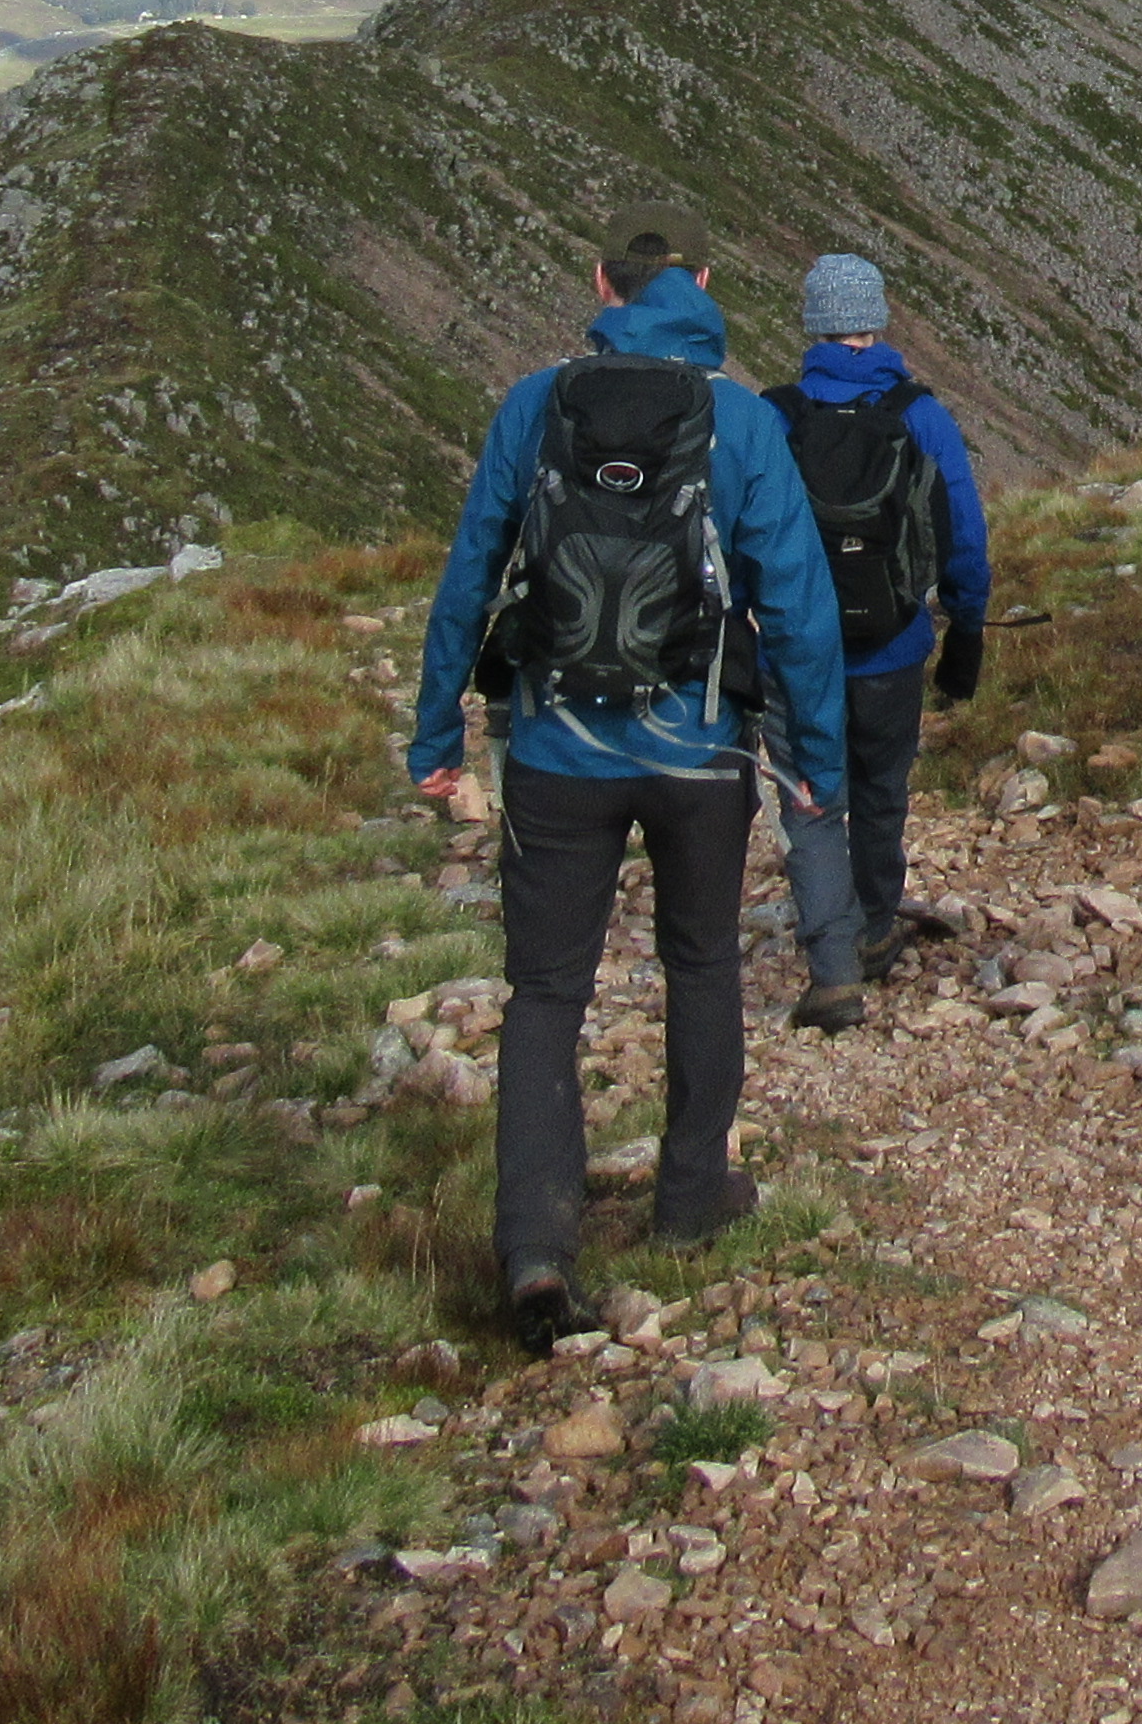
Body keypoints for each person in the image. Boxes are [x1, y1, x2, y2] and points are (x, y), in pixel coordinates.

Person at [408, 207, 846, 1345]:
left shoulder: (534, 407)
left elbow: (472, 574)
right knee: (700, 961)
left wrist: (435, 740)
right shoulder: (743, 423)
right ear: (701, 283)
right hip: (701, 753)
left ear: (601, 285)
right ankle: (693, 1197)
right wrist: (818, 767)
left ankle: (538, 1248)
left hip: (556, 753)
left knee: (547, 994)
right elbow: (797, 605)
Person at [764, 251, 993, 1029]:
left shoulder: (777, 416)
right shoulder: (918, 414)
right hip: (894, 645)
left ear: (813, 325)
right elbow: (961, 527)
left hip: (798, 650)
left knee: (810, 800)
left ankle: (831, 962)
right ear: (876, 320)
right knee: (880, 789)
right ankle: (872, 922)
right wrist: (967, 623)